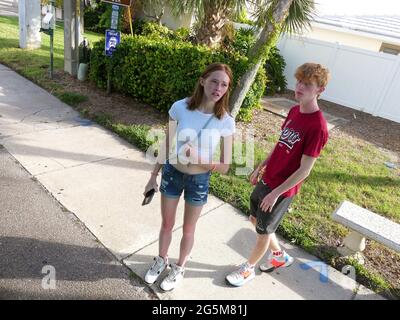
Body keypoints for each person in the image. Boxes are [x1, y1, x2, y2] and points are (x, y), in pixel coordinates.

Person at [226, 62, 330, 287]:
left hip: (282, 189)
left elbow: (305, 169)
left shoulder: (318, 127)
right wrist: (260, 166)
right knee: (255, 219)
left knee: (263, 231)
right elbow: (281, 143)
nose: (300, 87)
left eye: (308, 84)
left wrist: (275, 194)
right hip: (269, 178)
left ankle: (248, 269)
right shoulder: (294, 110)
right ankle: (280, 256)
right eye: (299, 81)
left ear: (320, 90)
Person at [143, 63, 236, 291]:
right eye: (214, 81)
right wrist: (153, 175)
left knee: (188, 229)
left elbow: (224, 166)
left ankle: (179, 267)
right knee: (167, 223)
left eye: (224, 84)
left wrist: (199, 159)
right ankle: (161, 260)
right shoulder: (180, 107)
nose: (218, 87)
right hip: (172, 174)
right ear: (202, 80)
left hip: (199, 181)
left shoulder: (225, 121)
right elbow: (166, 143)